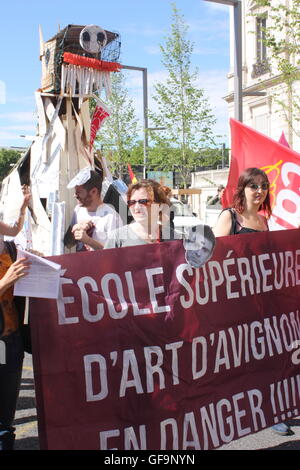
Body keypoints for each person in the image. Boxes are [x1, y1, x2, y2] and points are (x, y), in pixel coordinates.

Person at [213, 167, 292, 437]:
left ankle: (268, 412)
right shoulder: (229, 217)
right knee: (235, 360)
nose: (259, 191)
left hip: (262, 301)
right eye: (253, 186)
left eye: (264, 186)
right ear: (242, 188)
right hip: (233, 302)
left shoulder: (263, 221)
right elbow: (214, 260)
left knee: (265, 355)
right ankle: (233, 414)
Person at [0, 187, 31, 450]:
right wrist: (7, 280)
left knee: (7, 407)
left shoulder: (5, 240)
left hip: (11, 337)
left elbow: (13, 228)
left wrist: (23, 208)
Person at [64, 167, 123, 251]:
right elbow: (68, 244)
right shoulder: (78, 210)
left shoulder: (112, 217)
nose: (75, 195)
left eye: (78, 192)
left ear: (94, 191)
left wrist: (88, 241)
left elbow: (115, 253)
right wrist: (75, 230)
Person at [104, 179, 174, 248]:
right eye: (132, 202)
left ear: (160, 206)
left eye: (143, 201)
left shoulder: (174, 237)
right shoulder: (117, 238)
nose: (136, 207)